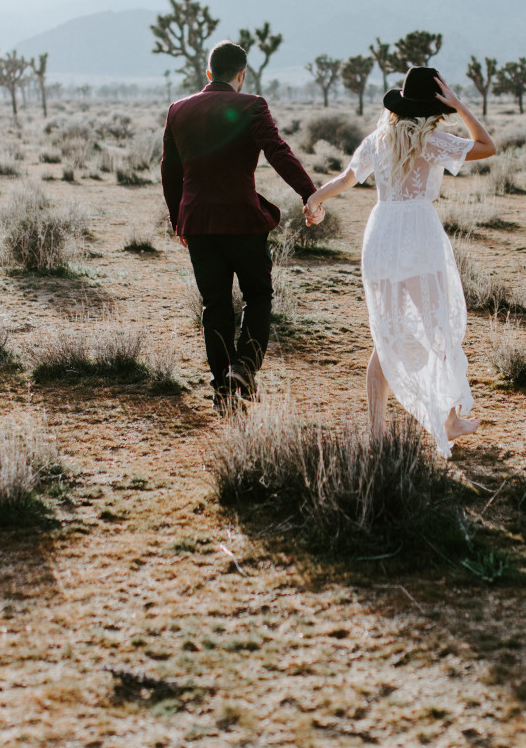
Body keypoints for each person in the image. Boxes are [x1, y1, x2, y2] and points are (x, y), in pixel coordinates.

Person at [303, 66, 497, 457]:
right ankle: (450, 420)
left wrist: (314, 200)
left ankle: (377, 431)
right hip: (417, 235)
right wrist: (459, 104)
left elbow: (345, 179)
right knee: (437, 328)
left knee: (386, 336)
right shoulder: (433, 141)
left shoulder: (378, 140)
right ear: (434, 107)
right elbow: (486, 146)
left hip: (381, 235)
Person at [161, 40, 318, 412]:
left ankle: (222, 391)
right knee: (258, 295)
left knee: (215, 305)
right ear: (242, 74)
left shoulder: (178, 109)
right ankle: (244, 369)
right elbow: (278, 151)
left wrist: (178, 219)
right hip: (243, 220)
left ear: (209, 72)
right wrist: (309, 193)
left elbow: (170, 171)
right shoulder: (252, 105)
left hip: (198, 222)